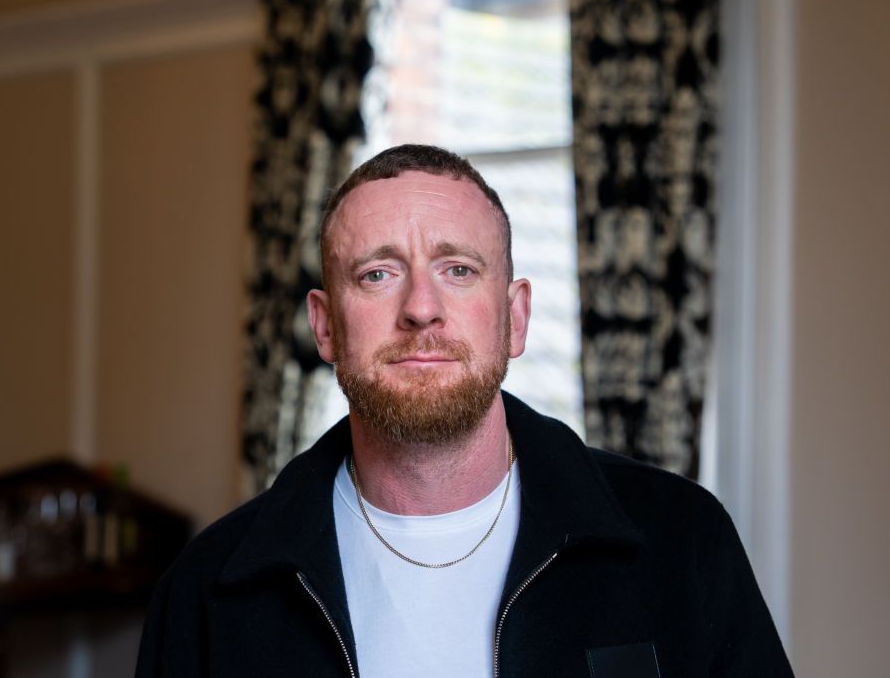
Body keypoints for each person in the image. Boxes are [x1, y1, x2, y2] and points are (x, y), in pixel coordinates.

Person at [135, 144, 793, 677]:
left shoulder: (681, 542)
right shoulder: (205, 593)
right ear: (325, 324)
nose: (421, 307)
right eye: (377, 274)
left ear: (515, 317)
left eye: (457, 269)